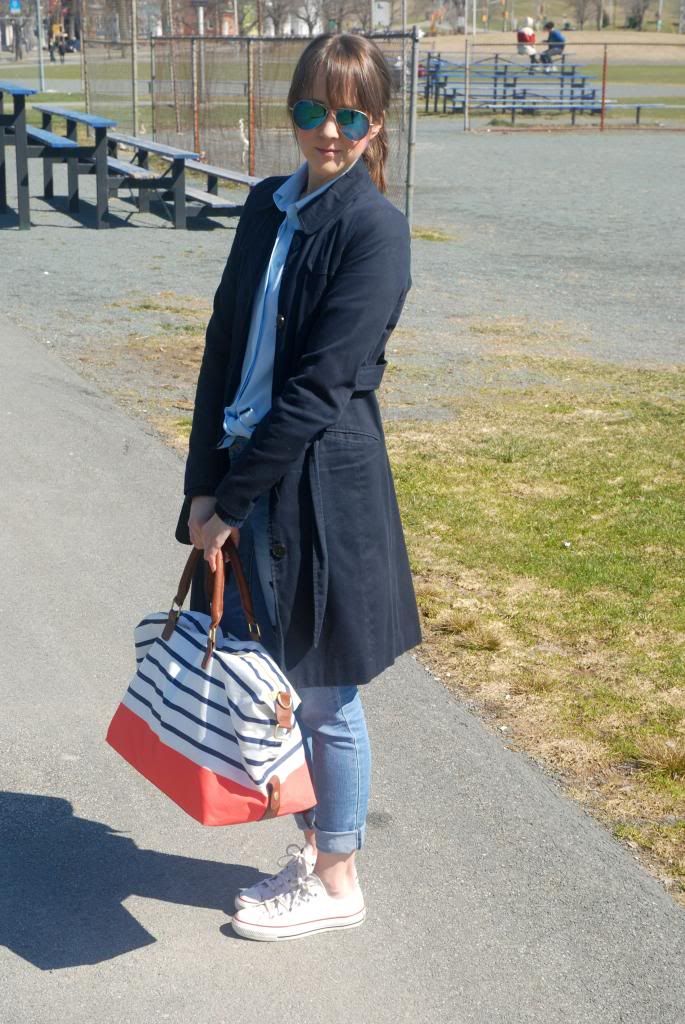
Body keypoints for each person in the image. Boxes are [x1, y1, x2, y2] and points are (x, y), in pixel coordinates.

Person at [177, 31, 422, 942]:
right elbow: (221, 347)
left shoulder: (373, 230)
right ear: (292, 112)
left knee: (323, 688)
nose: (328, 130)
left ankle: (338, 879)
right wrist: (204, 486)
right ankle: (314, 846)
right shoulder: (264, 206)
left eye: (349, 114)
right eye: (312, 110)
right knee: (265, 678)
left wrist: (233, 500)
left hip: (317, 487)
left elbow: (320, 389)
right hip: (246, 476)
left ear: (375, 123)